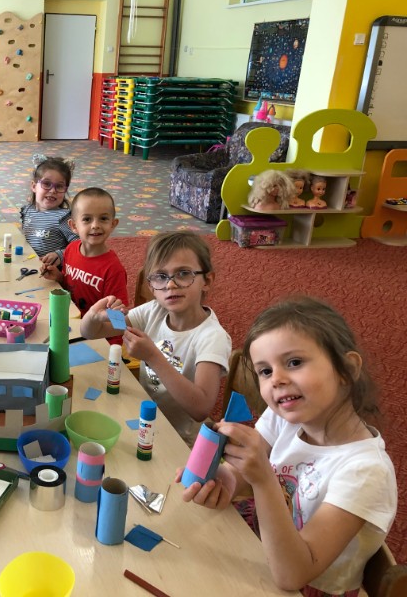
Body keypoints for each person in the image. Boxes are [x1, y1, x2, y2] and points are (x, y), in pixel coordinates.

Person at [179, 297, 397, 596]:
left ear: (346, 369)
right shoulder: (285, 418)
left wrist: (262, 479)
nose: (277, 380)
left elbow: (293, 575)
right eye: (265, 371)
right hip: (258, 550)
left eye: (294, 363)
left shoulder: (365, 472)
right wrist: (222, 480)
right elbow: (242, 476)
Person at [80, 231, 231, 445]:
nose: (170, 285)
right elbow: (92, 332)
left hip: (180, 441)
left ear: (207, 280)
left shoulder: (212, 337)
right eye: (161, 276)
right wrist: (94, 315)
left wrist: (152, 357)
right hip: (144, 421)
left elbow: (201, 408)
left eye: (183, 273)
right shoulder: (154, 311)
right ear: (151, 286)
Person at [41, 188, 128, 344]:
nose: (95, 225)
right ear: (73, 226)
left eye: (103, 219)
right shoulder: (70, 249)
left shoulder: (113, 270)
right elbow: (71, 286)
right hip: (70, 322)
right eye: (87, 219)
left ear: (113, 224)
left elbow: (119, 321)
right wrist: (59, 277)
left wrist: (112, 348)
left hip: (98, 337)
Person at [19, 154, 78, 269]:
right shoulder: (27, 210)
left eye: (59, 186)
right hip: (29, 266)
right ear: (34, 186)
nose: (53, 190)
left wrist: (60, 255)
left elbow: (79, 246)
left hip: (52, 273)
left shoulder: (64, 217)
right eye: (46, 184)